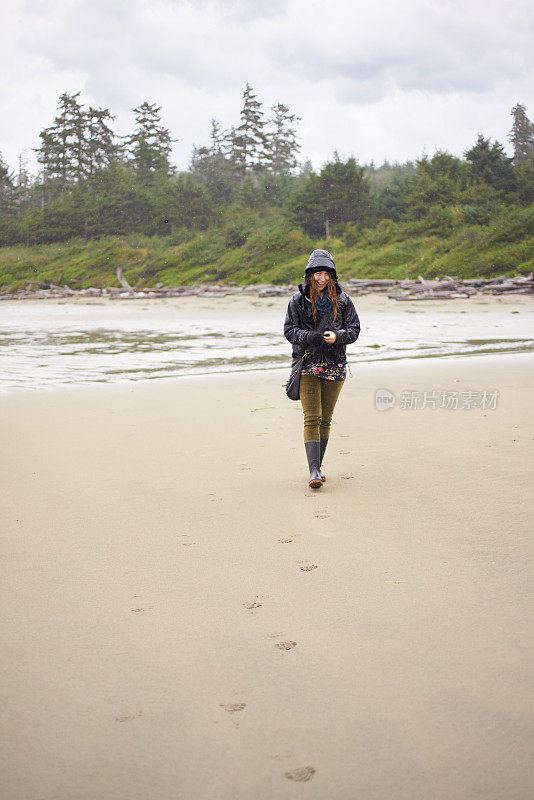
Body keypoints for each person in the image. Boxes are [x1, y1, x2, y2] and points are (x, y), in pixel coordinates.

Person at [284, 249, 360, 489]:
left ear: (332, 275)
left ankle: (318, 467)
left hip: (335, 364)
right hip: (307, 364)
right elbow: (289, 330)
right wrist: (311, 337)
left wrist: (337, 336)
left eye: (326, 274)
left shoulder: (344, 300)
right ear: (309, 275)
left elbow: (354, 330)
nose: (321, 279)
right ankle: (314, 470)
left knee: (326, 418)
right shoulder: (297, 301)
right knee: (312, 418)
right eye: (317, 273)